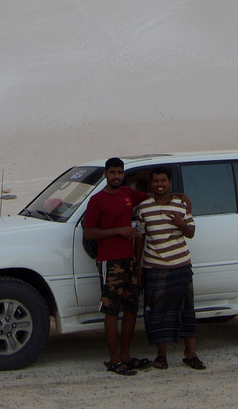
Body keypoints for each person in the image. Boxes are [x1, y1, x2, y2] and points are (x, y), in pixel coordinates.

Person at [83, 157, 151, 376]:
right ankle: (113, 360)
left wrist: (181, 196)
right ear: (105, 174)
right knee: (111, 310)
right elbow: (89, 232)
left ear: (123, 175)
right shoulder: (97, 200)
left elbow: (154, 197)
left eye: (119, 173)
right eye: (112, 172)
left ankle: (125, 356)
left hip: (130, 260)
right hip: (109, 261)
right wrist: (119, 231)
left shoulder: (128, 194)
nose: (116, 176)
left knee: (131, 308)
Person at [135, 167, 204, 370]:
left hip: (181, 265)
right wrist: (138, 265)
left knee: (187, 310)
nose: (159, 184)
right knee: (157, 312)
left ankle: (190, 353)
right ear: (151, 183)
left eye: (163, 181)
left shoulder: (182, 204)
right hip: (154, 266)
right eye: (155, 181)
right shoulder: (143, 207)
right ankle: (161, 354)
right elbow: (140, 235)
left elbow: (191, 232)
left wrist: (181, 224)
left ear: (170, 182)